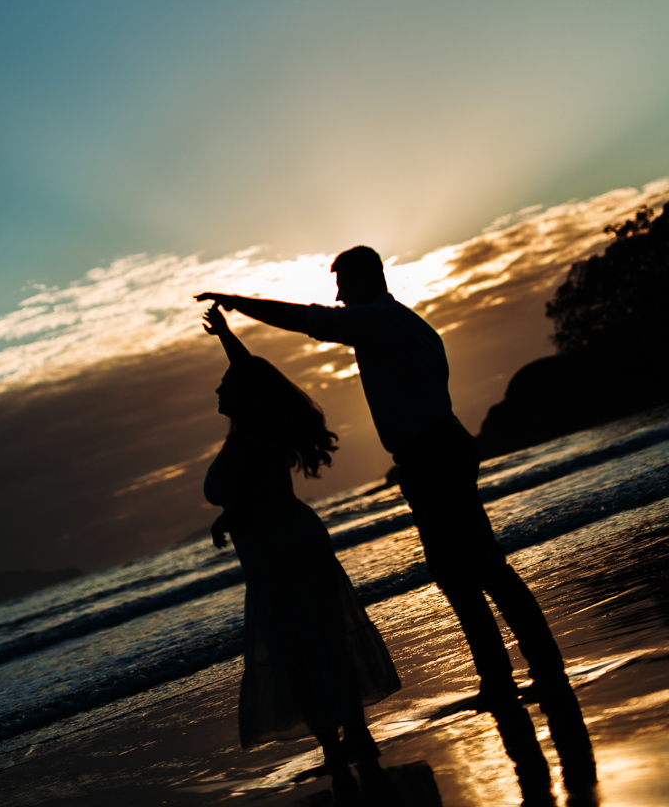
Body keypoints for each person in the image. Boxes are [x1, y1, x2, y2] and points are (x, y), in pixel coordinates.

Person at [197, 246, 597, 798]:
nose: (338, 296)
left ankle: (531, 671)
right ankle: (506, 676)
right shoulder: (394, 324)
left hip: (434, 455)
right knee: (464, 573)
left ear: (365, 279)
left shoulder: (378, 321)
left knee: (478, 569)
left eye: (343, 284)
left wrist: (237, 303)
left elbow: (309, 321)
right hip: (431, 454)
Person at [201, 302, 400, 801]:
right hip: (286, 544)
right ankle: (348, 739)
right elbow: (250, 375)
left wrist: (228, 517)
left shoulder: (254, 436)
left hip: (279, 550)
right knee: (318, 643)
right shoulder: (254, 430)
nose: (218, 390)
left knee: (302, 650)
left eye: (225, 385)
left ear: (243, 395)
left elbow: (257, 496)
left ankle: (339, 746)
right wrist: (225, 335)